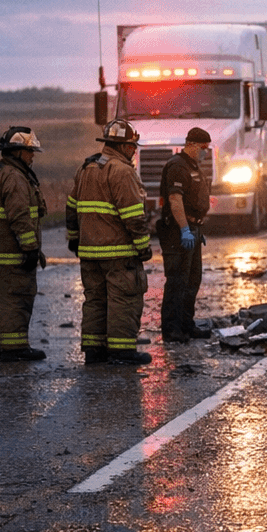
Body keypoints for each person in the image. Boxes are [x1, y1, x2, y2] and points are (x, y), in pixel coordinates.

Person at [67, 119, 153, 365]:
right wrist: (143, 247)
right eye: (133, 146)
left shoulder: (86, 168)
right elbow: (133, 216)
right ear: (124, 146)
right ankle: (122, 352)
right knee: (124, 299)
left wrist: (74, 239)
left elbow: (71, 206)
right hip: (119, 252)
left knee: (95, 300)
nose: (134, 151)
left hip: (89, 252)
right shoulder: (123, 172)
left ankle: (94, 352)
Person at [0, 126, 48, 361]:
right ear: (17, 152)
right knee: (15, 299)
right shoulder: (15, 178)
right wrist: (30, 249)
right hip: (10, 255)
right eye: (29, 152)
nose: (33, 156)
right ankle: (15, 348)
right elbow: (20, 216)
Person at [159, 127, 212, 342]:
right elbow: (175, 199)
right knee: (177, 282)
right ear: (191, 144)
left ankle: (186, 325)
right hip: (177, 232)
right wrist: (184, 229)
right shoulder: (177, 166)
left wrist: (197, 229)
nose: (205, 152)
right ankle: (172, 329)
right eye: (203, 148)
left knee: (192, 280)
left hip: (193, 230)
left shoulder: (193, 166)